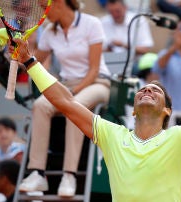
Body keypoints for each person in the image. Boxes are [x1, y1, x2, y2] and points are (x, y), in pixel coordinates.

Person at [11, 27, 181, 201]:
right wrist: (30, 61)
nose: (147, 90)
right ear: (132, 110)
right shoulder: (112, 136)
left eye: (155, 90)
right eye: (143, 88)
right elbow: (65, 101)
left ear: (167, 110)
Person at [18, 0, 111, 197]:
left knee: (74, 106)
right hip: (67, 86)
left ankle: (69, 175)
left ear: (59, 2)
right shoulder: (50, 32)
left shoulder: (92, 23)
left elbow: (94, 70)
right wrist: (19, 54)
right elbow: (34, 62)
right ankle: (37, 173)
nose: (42, 13)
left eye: (45, 7)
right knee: (40, 105)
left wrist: (71, 93)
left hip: (96, 84)